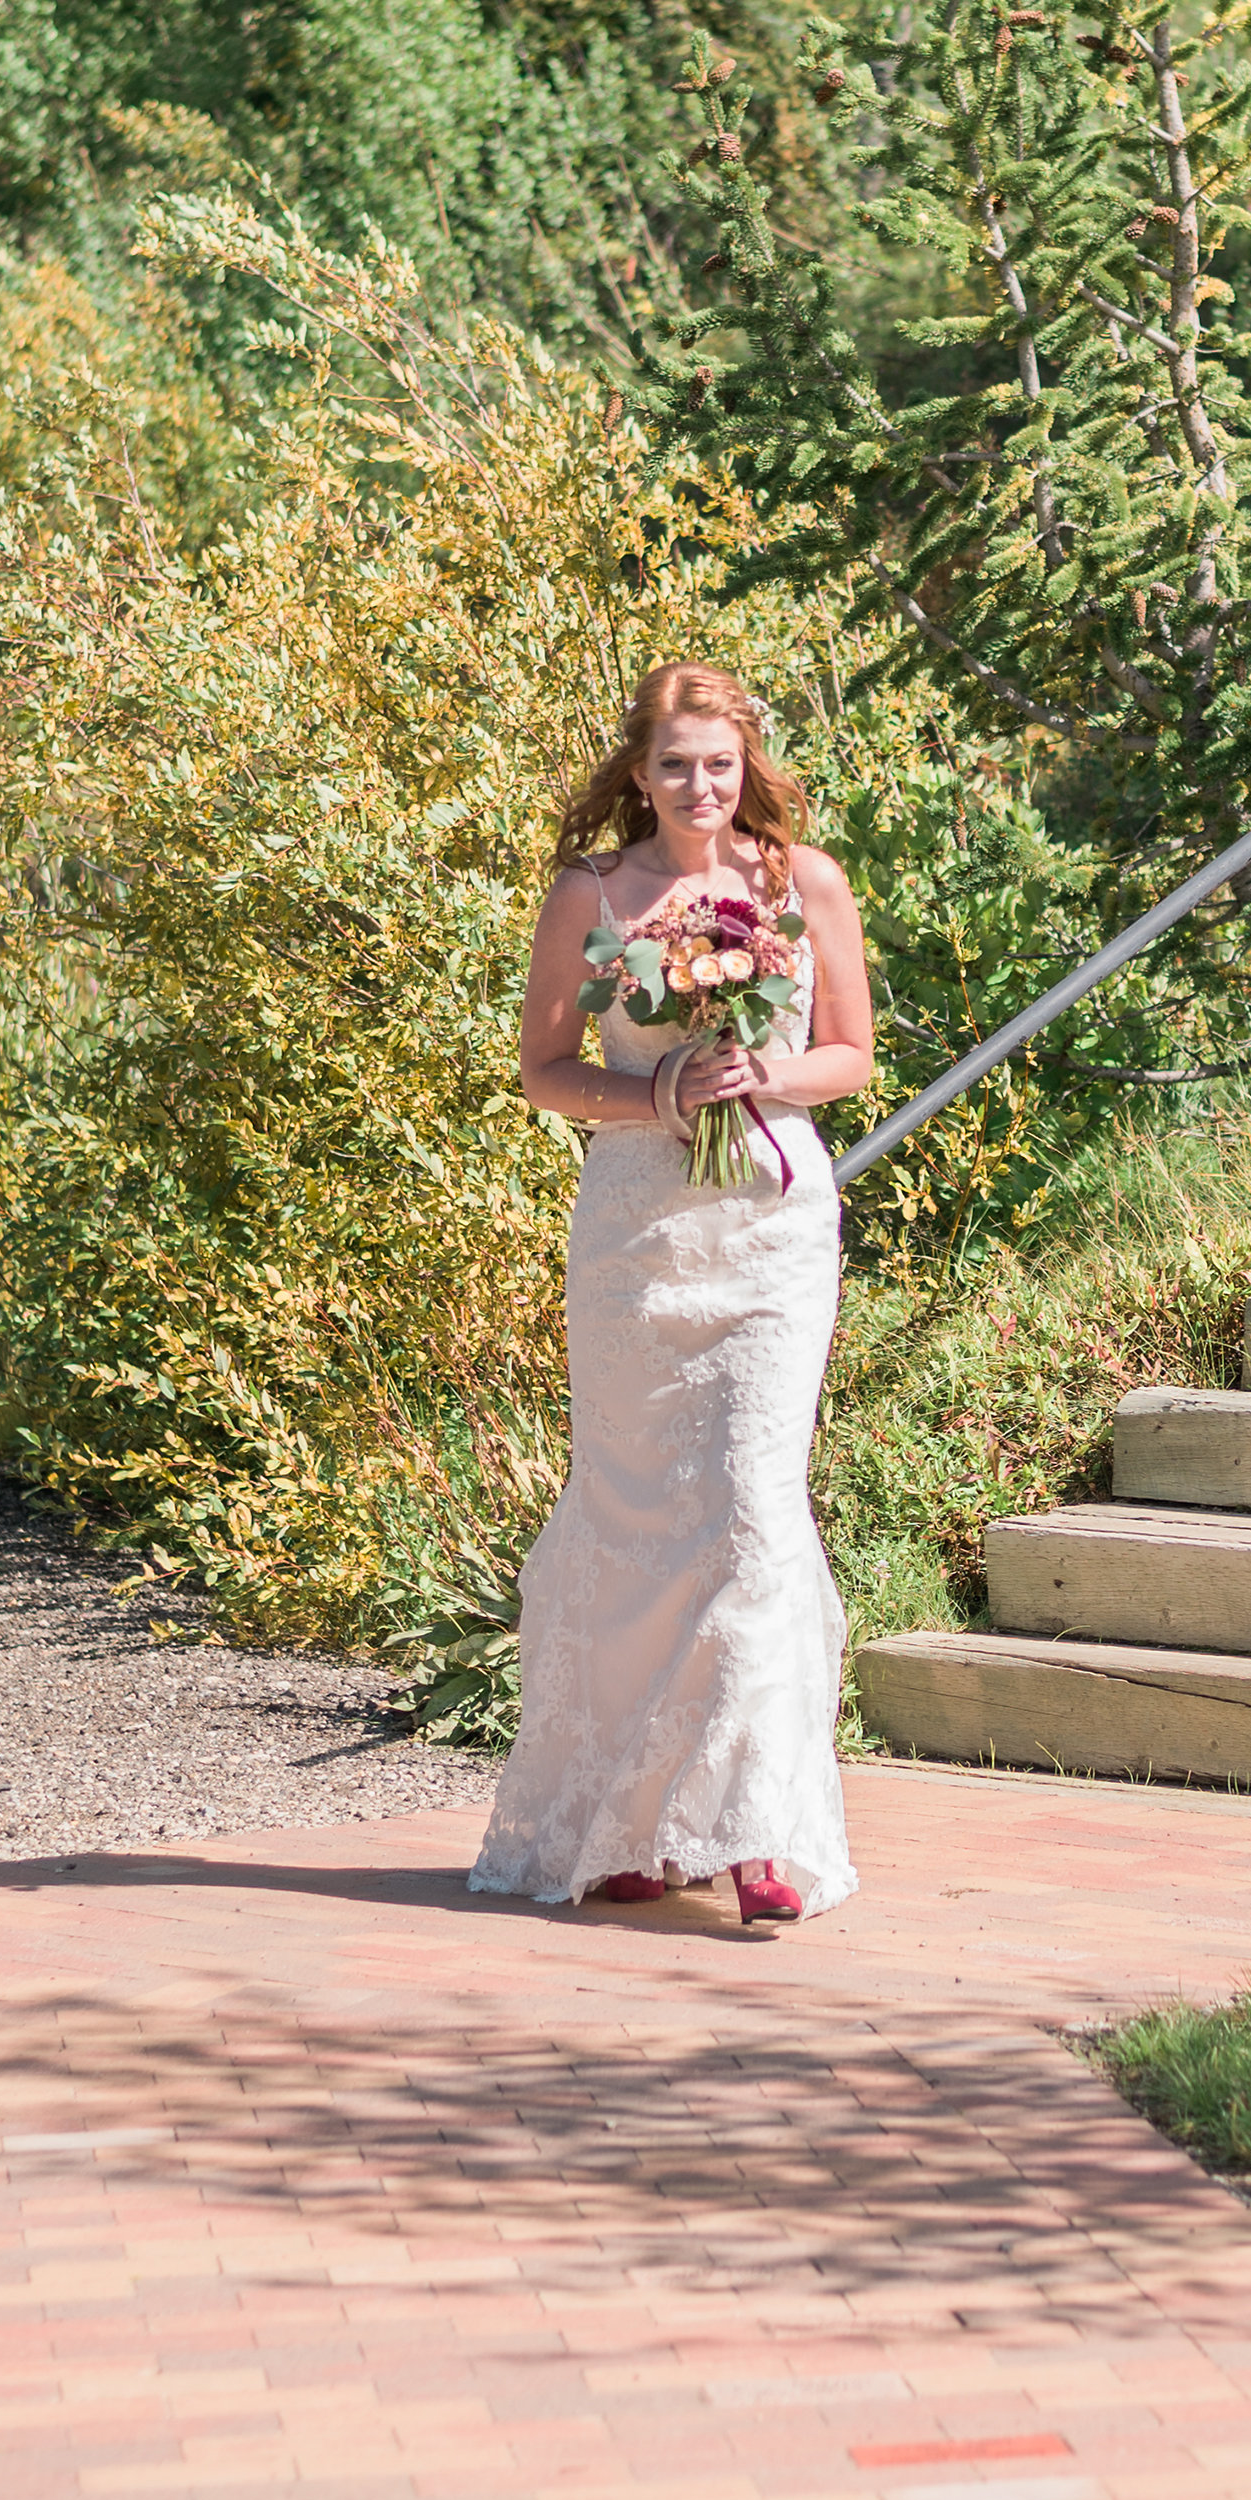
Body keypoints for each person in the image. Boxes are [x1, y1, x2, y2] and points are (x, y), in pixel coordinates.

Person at [468, 660, 874, 1926]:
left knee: (754, 1508)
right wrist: (653, 1095)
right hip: (640, 1238)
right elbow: (542, 1069)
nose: (702, 786)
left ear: (746, 763)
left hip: (770, 1230)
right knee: (641, 1516)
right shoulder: (590, 894)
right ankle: (634, 1819)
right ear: (637, 774)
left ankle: (757, 1828)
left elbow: (853, 1055)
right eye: (676, 764)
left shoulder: (800, 882)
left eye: (721, 762)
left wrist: (770, 1069)